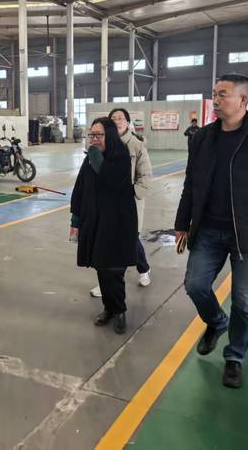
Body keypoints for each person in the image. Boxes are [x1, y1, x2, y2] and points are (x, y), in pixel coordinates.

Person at [174, 74, 248, 388]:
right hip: (208, 230)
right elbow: (191, 183)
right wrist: (182, 223)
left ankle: (235, 357)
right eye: (214, 94)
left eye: (222, 94)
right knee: (195, 285)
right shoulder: (203, 138)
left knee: (243, 300)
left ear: (242, 99)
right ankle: (216, 322)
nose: (215, 100)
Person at [71, 117, 138, 335]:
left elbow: (108, 177)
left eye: (99, 135)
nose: (94, 139)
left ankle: (119, 310)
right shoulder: (90, 158)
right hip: (94, 220)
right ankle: (109, 308)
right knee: (100, 265)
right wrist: (75, 220)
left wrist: (93, 153)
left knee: (114, 269)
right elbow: (80, 187)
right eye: (91, 134)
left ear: (109, 135)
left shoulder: (121, 156)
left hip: (117, 223)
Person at [90, 108, 153, 298]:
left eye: (120, 118)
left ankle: (143, 269)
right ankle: (107, 283)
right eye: (113, 118)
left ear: (127, 122)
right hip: (106, 204)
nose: (117, 121)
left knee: (130, 239)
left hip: (129, 203)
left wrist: (131, 193)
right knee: (107, 241)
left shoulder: (136, 145)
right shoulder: (101, 144)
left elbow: (145, 175)